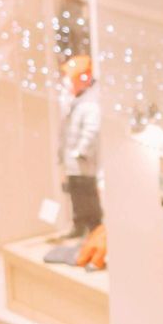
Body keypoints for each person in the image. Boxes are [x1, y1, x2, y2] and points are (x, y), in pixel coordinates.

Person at [58, 55, 103, 237]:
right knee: (76, 196)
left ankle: (94, 230)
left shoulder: (90, 104)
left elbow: (91, 131)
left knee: (88, 197)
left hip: (82, 163)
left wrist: (81, 153)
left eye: (71, 77)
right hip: (73, 161)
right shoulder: (75, 102)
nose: (67, 82)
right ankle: (79, 226)